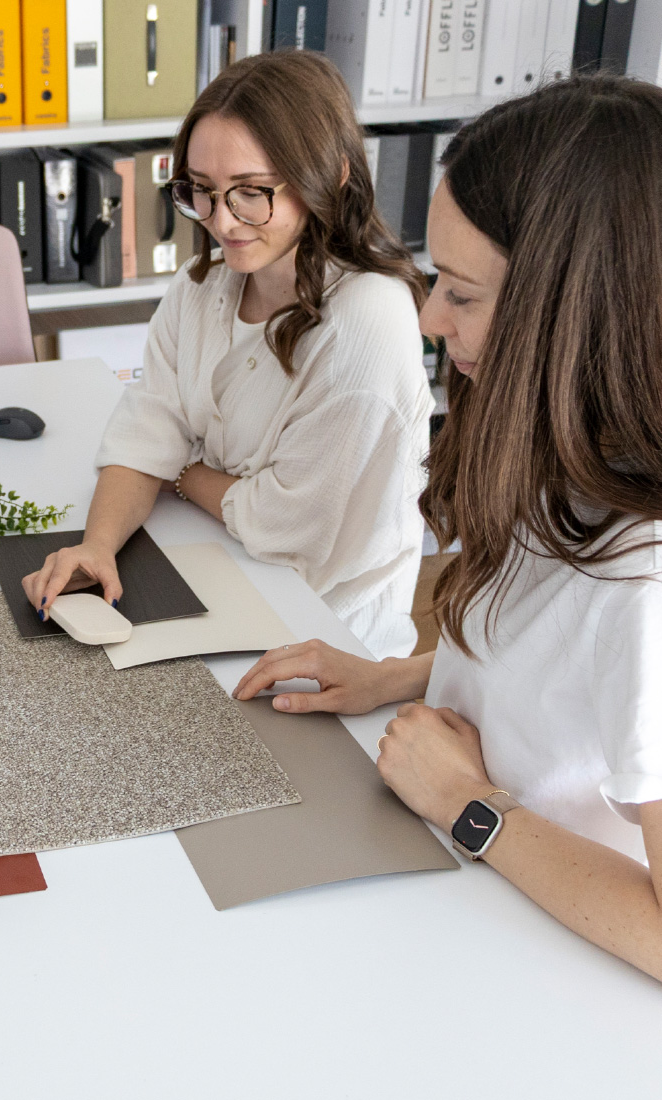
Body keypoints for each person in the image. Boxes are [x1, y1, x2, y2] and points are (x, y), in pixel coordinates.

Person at [235, 74, 662, 980]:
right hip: (471, 891)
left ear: (574, 322)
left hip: (546, 958)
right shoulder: (573, 458)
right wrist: (394, 674)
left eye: (462, 296)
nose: (429, 318)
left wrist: (472, 804)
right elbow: (565, 670)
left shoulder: (647, 584)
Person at [22, 51, 433, 659]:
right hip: (222, 570)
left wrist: (184, 475)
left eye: (251, 192)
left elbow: (285, 526)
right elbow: (149, 427)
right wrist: (98, 545)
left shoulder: (368, 321)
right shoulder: (201, 282)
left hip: (327, 634)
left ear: (332, 175)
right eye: (203, 192)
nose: (222, 221)